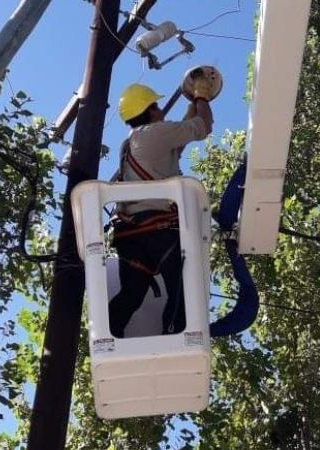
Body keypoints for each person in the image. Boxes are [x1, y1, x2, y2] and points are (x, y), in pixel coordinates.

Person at [108, 80, 214, 338]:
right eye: (157, 106)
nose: (161, 111)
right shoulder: (153, 134)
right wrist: (202, 97)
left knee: (132, 294)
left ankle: (111, 337)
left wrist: (192, 103)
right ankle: (174, 336)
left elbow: (179, 137)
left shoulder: (132, 143)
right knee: (182, 289)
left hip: (130, 235)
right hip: (157, 230)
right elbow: (202, 127)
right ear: (151, 110)